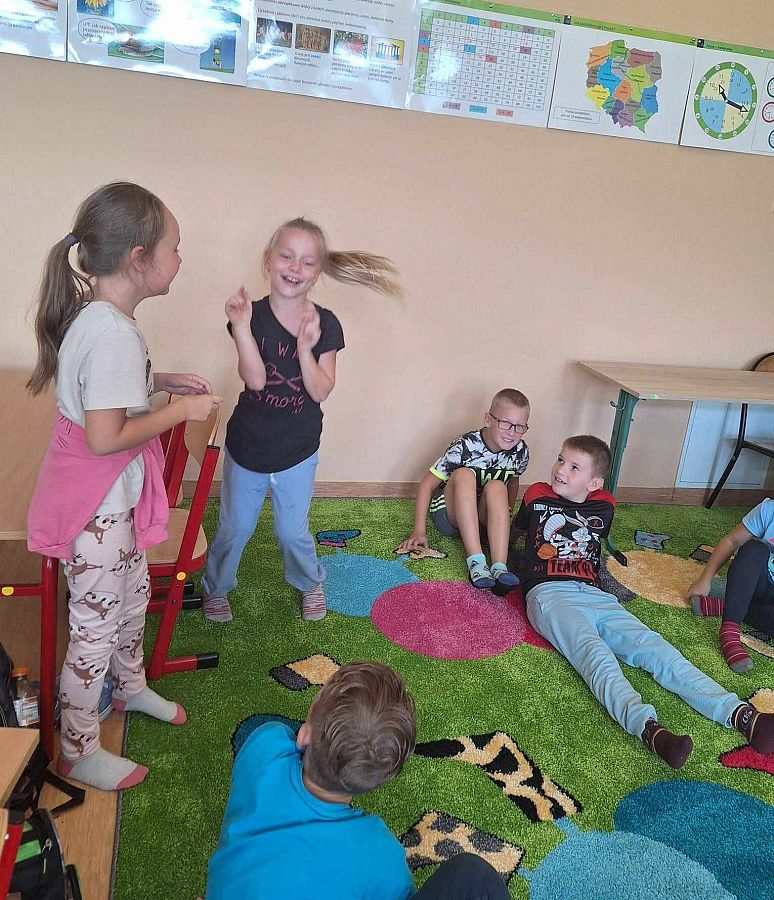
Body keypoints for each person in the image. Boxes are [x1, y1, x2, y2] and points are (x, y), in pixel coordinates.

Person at [25, 182, 222, 791]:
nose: (179, 259)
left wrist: (159, 381)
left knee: (131, 602)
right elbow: (106, 435)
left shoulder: (103, 320)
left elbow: (102, 390)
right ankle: (77, 750)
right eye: (174, 248)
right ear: (139, 259)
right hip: (98, 511)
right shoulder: (112, 333)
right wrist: (179, 411)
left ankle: (129, 687)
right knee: (94, 632)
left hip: (113, 506)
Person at [514, 435, 774, 769]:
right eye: (560, 460)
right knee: (595, 656)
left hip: (593, 592)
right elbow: (514, 531)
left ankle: (742, 715)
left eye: (574, 467)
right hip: (548, 593)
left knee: (654, 647)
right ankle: (649, 729)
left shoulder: (604, 504)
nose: (560, 469)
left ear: (594, 483)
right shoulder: (536, 495)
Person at [201, 217, 400, 623]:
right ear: (268, 260)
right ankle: (216, 588)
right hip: (248, 446)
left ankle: (310, 583)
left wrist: (305, 349)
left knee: (292, 532)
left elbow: (321, 390)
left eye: (308, 262)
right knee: (234, 528)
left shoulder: (325, 323)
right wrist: (241, 328)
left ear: (318, 271)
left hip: (297, 448)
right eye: (287, 257)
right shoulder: (250, 316)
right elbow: (255, 380)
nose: (295, 268)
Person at [206, 660, 510, 900]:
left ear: (304, 735)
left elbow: (289, 738)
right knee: (475, 876)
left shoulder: (265, 745)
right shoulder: (379, 851)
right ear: (386, 777)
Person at [397, 388, 529, 590]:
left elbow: (513, 481)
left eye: (519, 426)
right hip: (450, 516)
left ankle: (499, 566)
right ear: (488, 420)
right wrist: (419, 530)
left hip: (481, 520)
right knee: (464, 475)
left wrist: (504, 520)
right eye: (505, 423)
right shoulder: (465, 445)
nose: (512, 432)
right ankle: (476, 562)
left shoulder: (520, 452)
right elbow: (427, 484)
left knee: (497, 485)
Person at [687, 498, 774, 673]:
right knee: (753, 549)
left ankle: (729, 606)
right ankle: (729, 630)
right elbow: (732, 541)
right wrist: (705, 579)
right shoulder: (768, 510)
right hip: (758, 585)